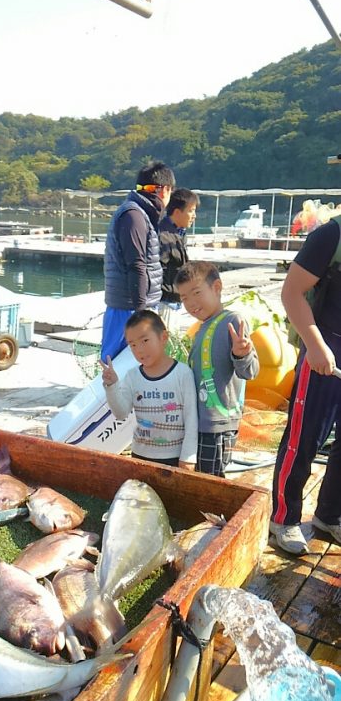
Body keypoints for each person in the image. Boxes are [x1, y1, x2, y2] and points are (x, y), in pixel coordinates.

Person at [270, 217, 341, 555]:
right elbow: (291, 292)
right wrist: (314, 345)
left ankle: (330, 515)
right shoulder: (331, 234)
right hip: (323, 350)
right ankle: (284, 519)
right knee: (305, 437)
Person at [175, 261, 259, 477]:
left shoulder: (232, 321)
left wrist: (242, 353)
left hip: (218, 424)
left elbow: (249, 371)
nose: (191, 303)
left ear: (217, 288)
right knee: (200, 478)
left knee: (212, 480)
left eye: (196, 293)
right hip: (200, 421)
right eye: (184, 298)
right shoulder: (202, 327)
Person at [100, 309, 198, 468]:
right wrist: (112, 386)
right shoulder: (132, 376)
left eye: (145, 340)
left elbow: (191, 419)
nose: (139, 349)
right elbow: (121, 412)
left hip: (174, 457)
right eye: (133, 345)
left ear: (163, 338)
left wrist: (188, 458)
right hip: (140, 456)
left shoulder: (182, 374)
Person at [101, 161, 176, 362]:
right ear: (165, 190)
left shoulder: (142, 213)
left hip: (133, 305)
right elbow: (137, 265)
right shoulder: (134, 216)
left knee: (135, 366)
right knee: (114, 364)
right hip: (126, 308)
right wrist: (141, 313)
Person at [158, 188, 200, 331]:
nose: (194, 216)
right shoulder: (163, 236)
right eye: (191, 211)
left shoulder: (179, 233)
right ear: (177, 212)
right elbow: (157, 271)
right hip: (164, 302)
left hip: (175, 300)